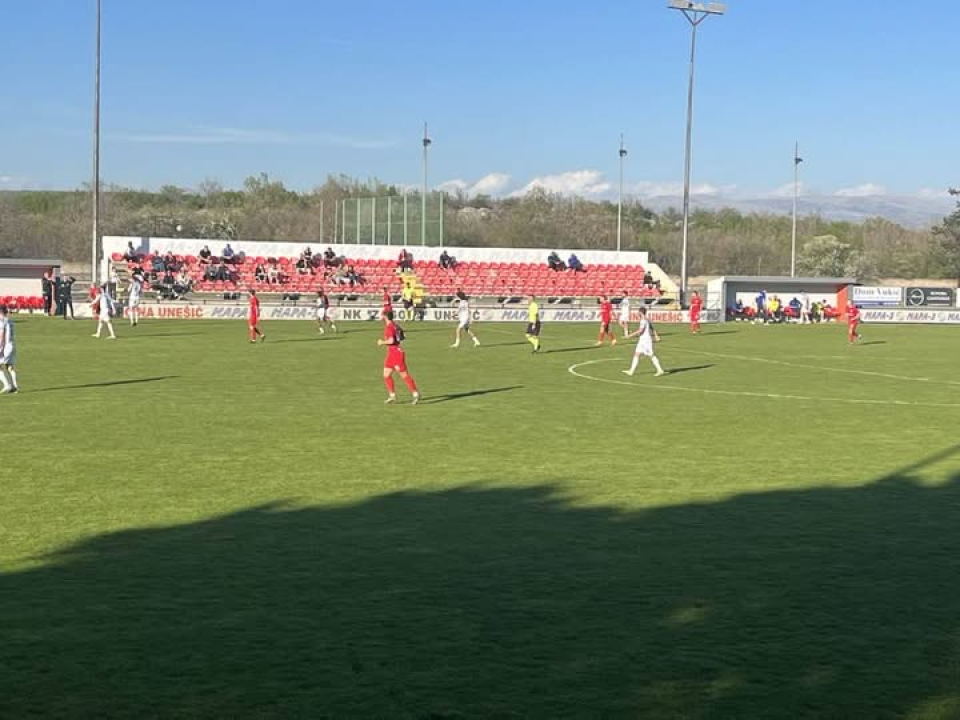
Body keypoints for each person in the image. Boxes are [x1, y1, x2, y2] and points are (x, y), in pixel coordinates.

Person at [379, 310, 420, 405]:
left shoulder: (389, 327)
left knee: (404, 375)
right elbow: (403, 336)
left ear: (385, 316)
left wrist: (382, 342)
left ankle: (415, 394)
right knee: (386, 374)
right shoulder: (395, 325)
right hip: (392, 354)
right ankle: (392, 396)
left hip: (396, 354)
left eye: (382, 315)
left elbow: (391, 340)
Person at [623, 307, 666, 377]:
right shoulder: (647, 319)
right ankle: (631, 371)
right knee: (636, 354)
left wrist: (630, 335)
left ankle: (660, 370)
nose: (637, 313)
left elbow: (641, 330)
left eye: (638, 312)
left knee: (651, 355)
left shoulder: (643, 320)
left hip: (646, 340)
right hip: (642, 340)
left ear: (640, 312)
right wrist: (656, 335)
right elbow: (652, 328)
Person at [0, 305, 19, 394]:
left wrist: (0, 346)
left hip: (6, 346)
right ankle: (15, 387)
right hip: (12, 344)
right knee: (9, 366)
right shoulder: (10, 320)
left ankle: (7, 385)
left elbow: (2, 335)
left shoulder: (2, 321)